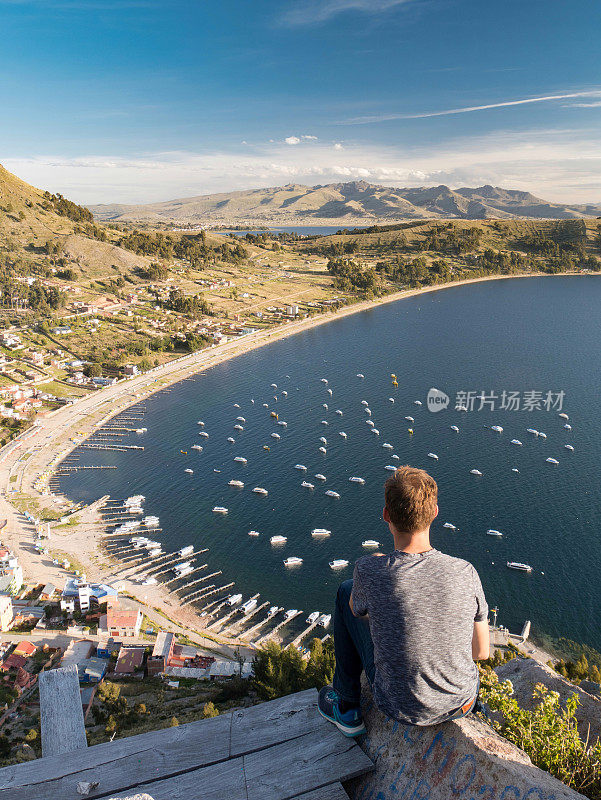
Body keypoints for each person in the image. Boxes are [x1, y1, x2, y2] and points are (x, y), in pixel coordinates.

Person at [318, 465, 490, 737]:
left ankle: (347, 705)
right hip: (461, 703)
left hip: (396, 705)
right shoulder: (465, 572)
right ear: (434, 513)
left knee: (344, 592)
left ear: (386, 515)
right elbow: (482, 653)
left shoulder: (368, 570)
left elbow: (355, 610)